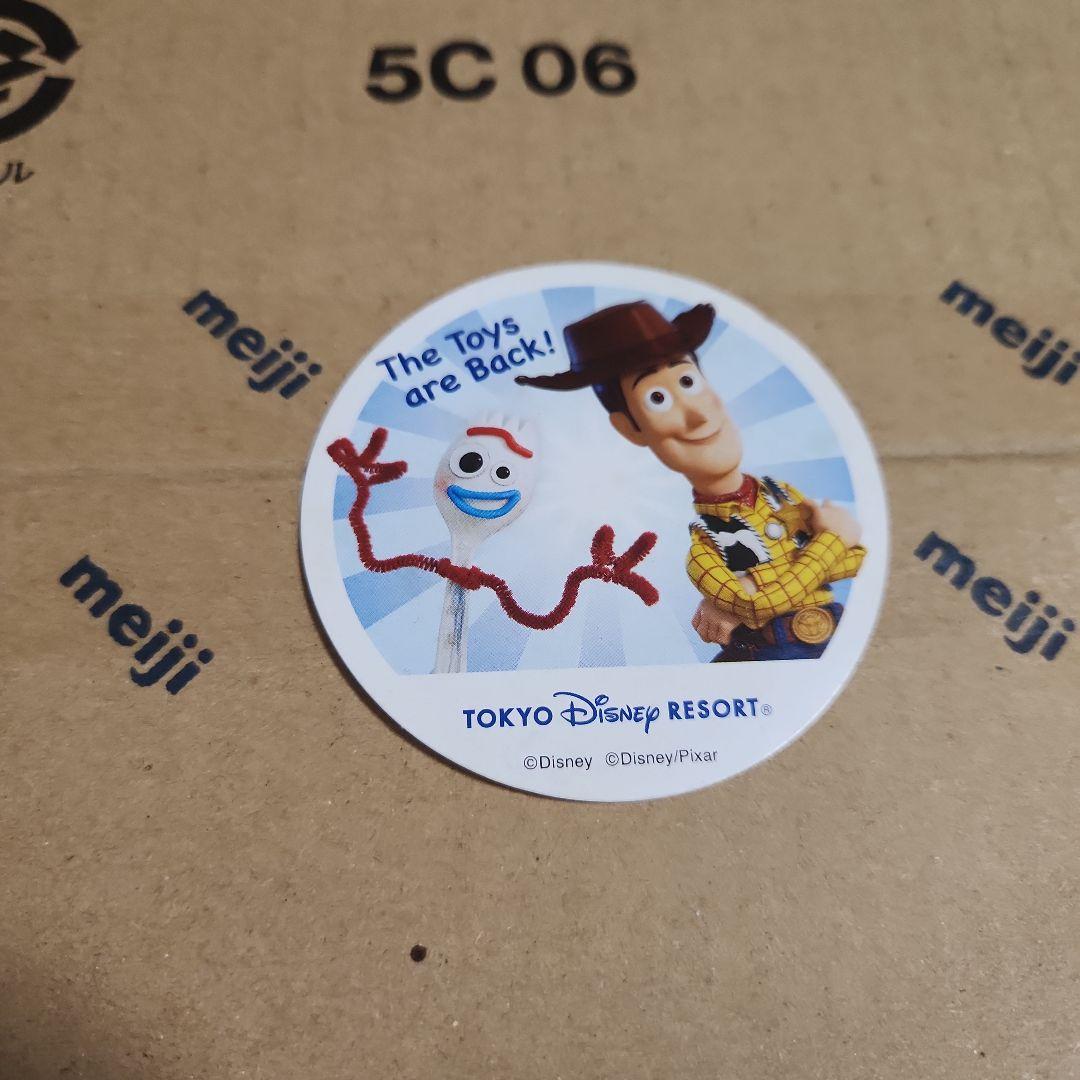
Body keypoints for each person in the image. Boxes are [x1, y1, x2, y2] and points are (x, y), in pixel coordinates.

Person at [515, 300, 866, 661]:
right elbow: (763, 603)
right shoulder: (704, 551)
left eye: (688, 381)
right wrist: (828, 541)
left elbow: (856, 559)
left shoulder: (781, 493)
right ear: (631, 428)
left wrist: (747, 587)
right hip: (771, 657)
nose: (698, 416)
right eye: (657, 398)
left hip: (839, 637)